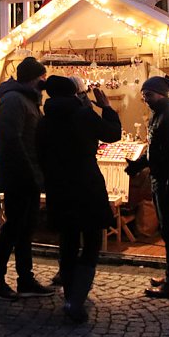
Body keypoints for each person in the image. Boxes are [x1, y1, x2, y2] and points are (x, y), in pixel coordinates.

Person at [38, 75, 121, 323]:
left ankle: (69, 293)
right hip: (86, 184)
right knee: (92, 239)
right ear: (74, 93)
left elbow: (39, 152)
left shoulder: (45, 120)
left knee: (68, 239)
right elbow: (112, 134)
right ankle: (77, 298)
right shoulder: (83, 115)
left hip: (59, 186)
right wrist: (106, 108)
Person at [0, 56, 55, 300]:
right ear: (32, 79)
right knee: (14, 228)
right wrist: (28, 172)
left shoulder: (29, 100)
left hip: (30, 175)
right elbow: (11, 141)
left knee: (25, 229)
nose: (44, 83)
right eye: (41, 78)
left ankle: (25, 279)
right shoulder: (14, 101)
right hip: (20, 176)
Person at [125, 76, 169, 298]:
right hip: (160, 178)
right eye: (143, 96)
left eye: (149, 95)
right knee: (167, 228)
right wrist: (139, 164)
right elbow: (156, 148)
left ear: (162, 94)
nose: (146, 100)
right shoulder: (158, 116)